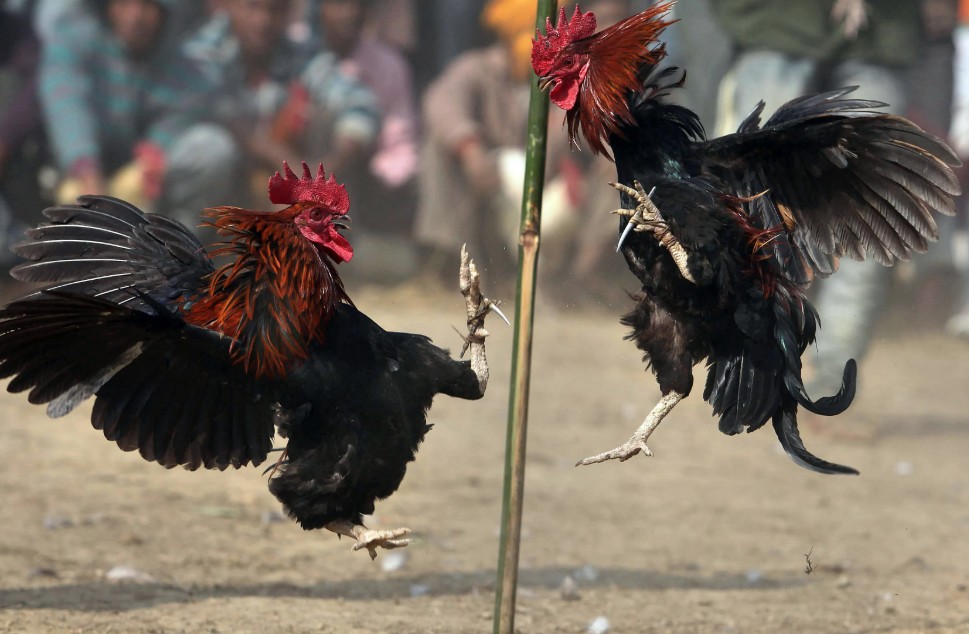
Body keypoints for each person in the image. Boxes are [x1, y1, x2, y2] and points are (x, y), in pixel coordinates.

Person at [712, 0, 923, 395]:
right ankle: (743, 362)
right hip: (775, 26)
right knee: (747, 207)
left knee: (869, 212)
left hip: (875, 36)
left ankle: (832, 380)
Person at [39, 0, 236, 229]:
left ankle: (175, 240)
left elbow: (179, 113)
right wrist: (87, 174)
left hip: (141, 175)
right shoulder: (74, 39)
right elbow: (68, 106)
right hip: (77, 172)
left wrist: (153, 154)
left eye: (147, 5)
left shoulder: (181, 63)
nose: (135, 16)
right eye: (125, 2)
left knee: (213, 148)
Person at [185, 0, 380, 210]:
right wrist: (281, 158)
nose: (263, 20)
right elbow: (214, 110)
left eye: (274, 10)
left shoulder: (297, 53)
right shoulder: (202, 50)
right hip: (212, 173)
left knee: (327, 119)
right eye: (252, 7)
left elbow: (357, 100)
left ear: (289, 12)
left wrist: (332, 163)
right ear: (230, 5)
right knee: (213, 147)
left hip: (271, 169)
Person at [318, 0, 420, 236]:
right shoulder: (301, 52)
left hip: (363, 174)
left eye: (357, 5)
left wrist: (387, 176)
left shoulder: (389, 63)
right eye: (338, 5)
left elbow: (400, 137)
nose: (348, 13)